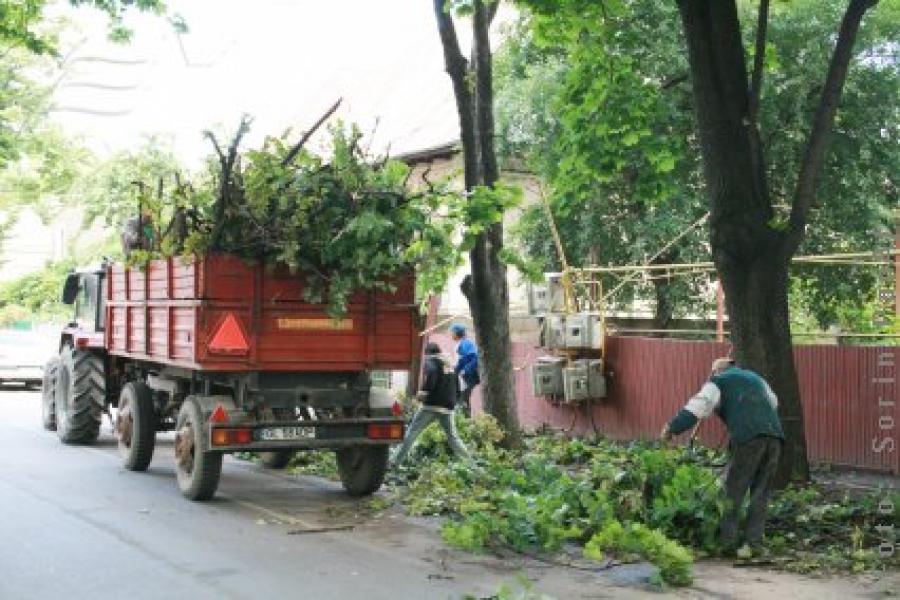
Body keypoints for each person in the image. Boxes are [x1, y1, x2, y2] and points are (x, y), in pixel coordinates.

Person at [661, 357, 784, 556]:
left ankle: (727, 543)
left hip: (748, 438)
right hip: (775, 437)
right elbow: (773, 403)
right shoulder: (756, 379)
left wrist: (672, 427)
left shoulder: (718, 382)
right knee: (761, 492)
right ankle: (755, 543)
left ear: (717, 371)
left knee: (733, 490)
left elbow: (698, 407)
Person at [391, 342, 471, 466]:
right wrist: (454, 401)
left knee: (412, 432)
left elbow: (431, 377)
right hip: (448, 406)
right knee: (453, 437)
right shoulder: (449, 363)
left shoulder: (431, 361)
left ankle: (394, 462)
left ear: (428, 354)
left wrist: (422, 394)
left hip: (432, 405)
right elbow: (459, 385)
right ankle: (472, 465)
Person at [450, 323, 480, 418]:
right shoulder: (461, 344)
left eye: (452, 332)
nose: (450, 334)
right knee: (460, 399)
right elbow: (462, 360)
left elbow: (475, 357)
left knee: (463, 400)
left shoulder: (466, 343)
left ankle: (466, 422)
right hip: (462, 377)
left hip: (467, 378)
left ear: (456, 333)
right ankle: (464, 421)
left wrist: (465, 370)